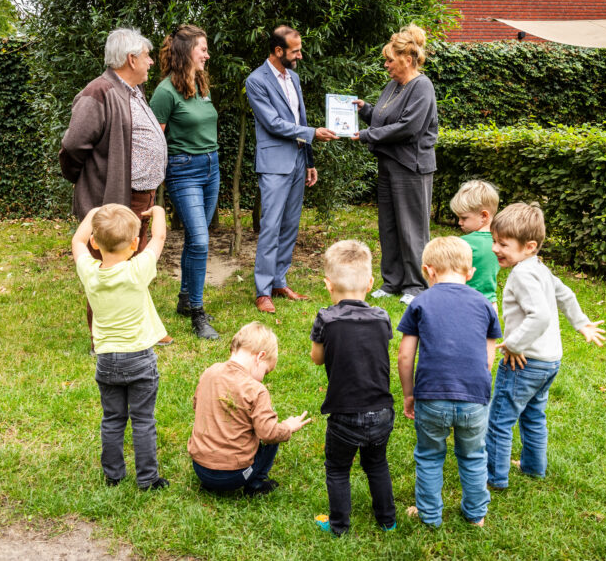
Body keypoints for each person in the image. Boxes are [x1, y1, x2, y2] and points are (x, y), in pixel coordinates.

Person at [60, 28, 172, 349]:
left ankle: (147, 328)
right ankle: (102, 339)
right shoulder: (98, 92)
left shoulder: (132, 90)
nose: (151, 62)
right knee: (109, 266)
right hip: (115, 199)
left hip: (140, 196)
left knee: (135, 264)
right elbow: (72, 146)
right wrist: (91, 181)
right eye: (147, 56)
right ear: (130, 58)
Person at [485, 203, 606, 490]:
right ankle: (533, 467)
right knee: (533, 414)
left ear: (529, 246)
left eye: (503, 244)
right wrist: (581, 322)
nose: (494, 249)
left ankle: (495, 478)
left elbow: (539, 316)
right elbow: (565, 294)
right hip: (550, 361)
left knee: (500, 419)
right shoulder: (538, 267)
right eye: (494, 241)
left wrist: (513, 344)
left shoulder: (522, 274)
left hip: (525, 362)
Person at [397, 236, 502, 527]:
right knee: (473, 455)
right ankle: (475, 515)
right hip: (475, 397)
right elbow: (488, 359)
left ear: (428, 271)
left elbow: (405, 357)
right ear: (470, 273)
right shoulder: (485, 305)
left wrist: (409, 394)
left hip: (431, 396)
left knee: (430, 456)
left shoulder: (420, 302)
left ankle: (430, 516)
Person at [71, 203, 170, 491]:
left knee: (113, 419)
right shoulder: (138, 270)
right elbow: (160, 239)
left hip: (106, 361)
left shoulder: (89, 272)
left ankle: (113, 475)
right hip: (140, 359)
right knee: (143, 420)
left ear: (94, 242)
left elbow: (76, 241)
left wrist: (93, 212)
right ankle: (148, 479)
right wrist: (159, 212)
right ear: (135, 244)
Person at [245, 25, 338, 314]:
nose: (299, 55)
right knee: (271, 226)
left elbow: (299, 117)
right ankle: (262, 291)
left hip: (298, 160)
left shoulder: (294, 78)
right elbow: (273, 123)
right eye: (294, 51)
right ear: (278, 51)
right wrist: (312, 133)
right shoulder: (256, 81)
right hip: (274, 163)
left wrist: (309, 161)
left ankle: (278, 281)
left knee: (290, 225)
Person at [310, 240, 396, 536]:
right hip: (382, 410)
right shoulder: (383, 318)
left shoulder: (326, 318)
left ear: (328, 284)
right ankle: (387, 520)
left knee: (337, 469)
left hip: (344, 413)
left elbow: (317, 358)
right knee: (377, 465)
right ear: (371, 283)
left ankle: (339, 526)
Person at [352, 24, 438, 307]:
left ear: (407, 59)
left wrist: (365, 135)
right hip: (389, 165)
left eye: (390, 60)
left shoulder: (422, 86)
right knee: (388, 226)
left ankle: (417, 284)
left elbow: (408, 127)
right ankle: (393, 282)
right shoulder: (393, 86)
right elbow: (383, 119)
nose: (386, 65)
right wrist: (365, 110)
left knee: (412, 228)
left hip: (412, 167)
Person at [149, 24, 220, 341]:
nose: (206, 53)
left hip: (211, 167)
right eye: (202, 48)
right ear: (185, 52)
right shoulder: (164, 92)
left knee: (196, 240)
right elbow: (152, 140)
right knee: (201, 241)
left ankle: (183, 299)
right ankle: (198, 314)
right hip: (184, 170)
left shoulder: (202, 84)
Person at [188, 322, 312, 495]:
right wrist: (288, 427)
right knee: (272, 438)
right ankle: (255, 485)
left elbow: (197, 406)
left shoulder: (210, 372)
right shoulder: (256, 389)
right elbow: (269, 434)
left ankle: (211, 481)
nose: (263, 378)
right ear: (260, 357)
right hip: (234, 476)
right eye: (266, 371)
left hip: (200, 469)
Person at [450, 180, 500, 308]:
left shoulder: (463, 243)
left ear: (484, 216)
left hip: (464, 302)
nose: (459, 222)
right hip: (490, 303)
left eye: (464, 218)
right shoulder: (501, 243)